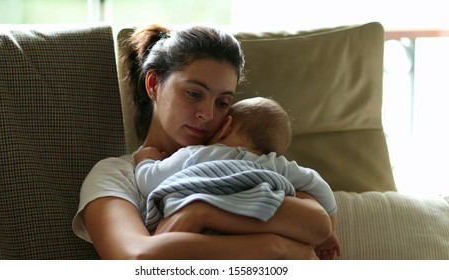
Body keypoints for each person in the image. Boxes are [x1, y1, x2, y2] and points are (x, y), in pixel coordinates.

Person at [72, 23, 333, 259]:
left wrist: (200, 213)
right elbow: (137, 260)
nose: (207, 115)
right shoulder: (115, 176)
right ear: (153, 84)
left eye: (222, 103)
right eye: (194, 93)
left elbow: (319, 223)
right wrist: (273, 247)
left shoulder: (252, 163)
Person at [134, 97, 341, 260]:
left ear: (226, 126)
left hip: (193, 238)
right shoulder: (274, 164)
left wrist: (145, 160)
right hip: (257, 222)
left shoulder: (195, 153)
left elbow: (148, 182)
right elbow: (317, 184)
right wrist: (329, 230)